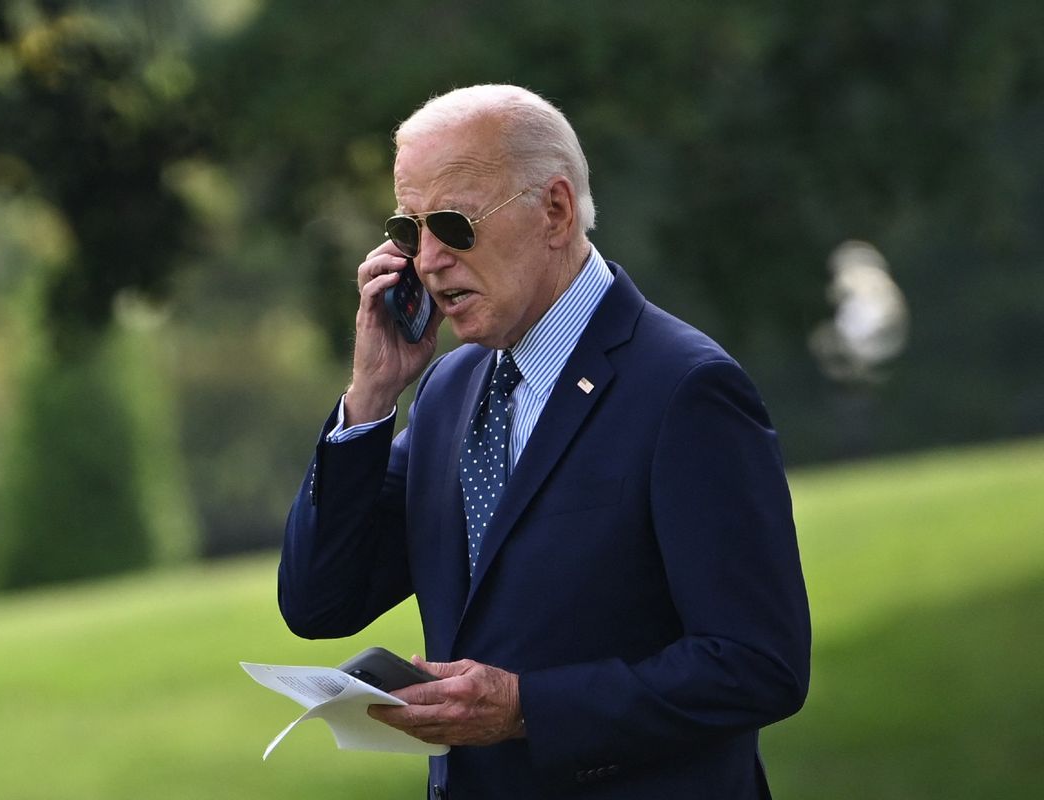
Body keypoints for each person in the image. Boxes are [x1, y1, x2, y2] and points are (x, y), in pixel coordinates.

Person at [279, 84, 811, 799]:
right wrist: (371, 396)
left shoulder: (687, 389)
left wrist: (527, 708)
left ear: (555, 211)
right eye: (409, 232)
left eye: (454, 225)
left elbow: (758, 665)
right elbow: (319, 603)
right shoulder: (446, 392)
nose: (429, 261)